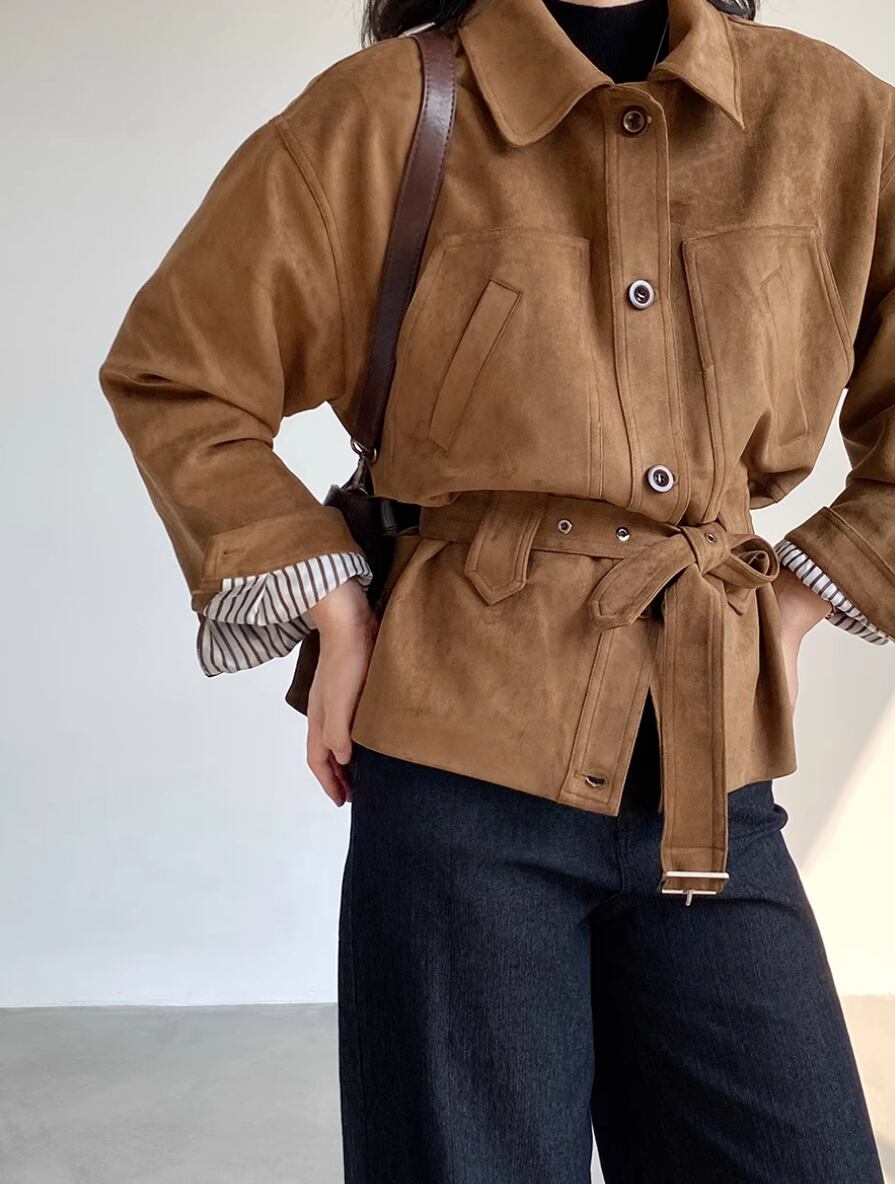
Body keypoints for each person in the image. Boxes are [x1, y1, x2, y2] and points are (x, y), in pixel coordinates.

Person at [99, 0, 892, 1179]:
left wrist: (802, 595)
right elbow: (179, 370)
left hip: (709, 774)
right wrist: (333, 599)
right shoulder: (384, 114)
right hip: (455, 774)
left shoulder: (829, 117)